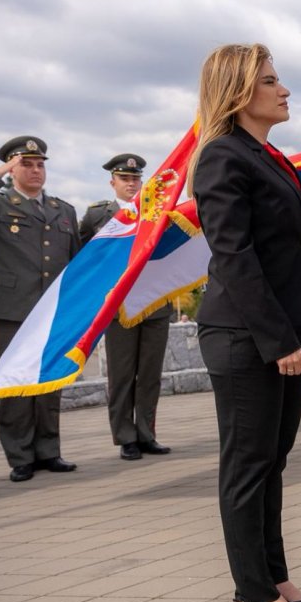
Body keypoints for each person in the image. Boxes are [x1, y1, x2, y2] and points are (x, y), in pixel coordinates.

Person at [190, 43, 301, 602]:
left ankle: (274, 577)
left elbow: (292, 259)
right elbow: (235, 256)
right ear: (240, 92)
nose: (285, 89)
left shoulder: (273, 157)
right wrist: (278, 340)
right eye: (272, 81)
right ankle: (250, 591)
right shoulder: (222, 157)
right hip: (244, 336)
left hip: (281, 330)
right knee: (247, 465)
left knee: (273, 461)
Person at [0, 136, 80, 483]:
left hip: (52, 307)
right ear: (12, 168)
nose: (36, 170)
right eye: (27, 163)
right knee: (17, 379)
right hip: (11, 306)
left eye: (40, 164)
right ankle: (20, 455)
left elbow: (74, 261)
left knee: (49, 379)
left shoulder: (63, 210)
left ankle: (49, 451)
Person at [80, 153, 173, 460]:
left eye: (135, 178)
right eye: (125, 179)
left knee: (149, 373)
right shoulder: (98, 215)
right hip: (118, 306)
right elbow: (85, 258)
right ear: (113, 182)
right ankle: (125, 437)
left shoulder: (158, 211)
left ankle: (147, 433)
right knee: (122, 375)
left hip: (155, 302)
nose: (131, 183)